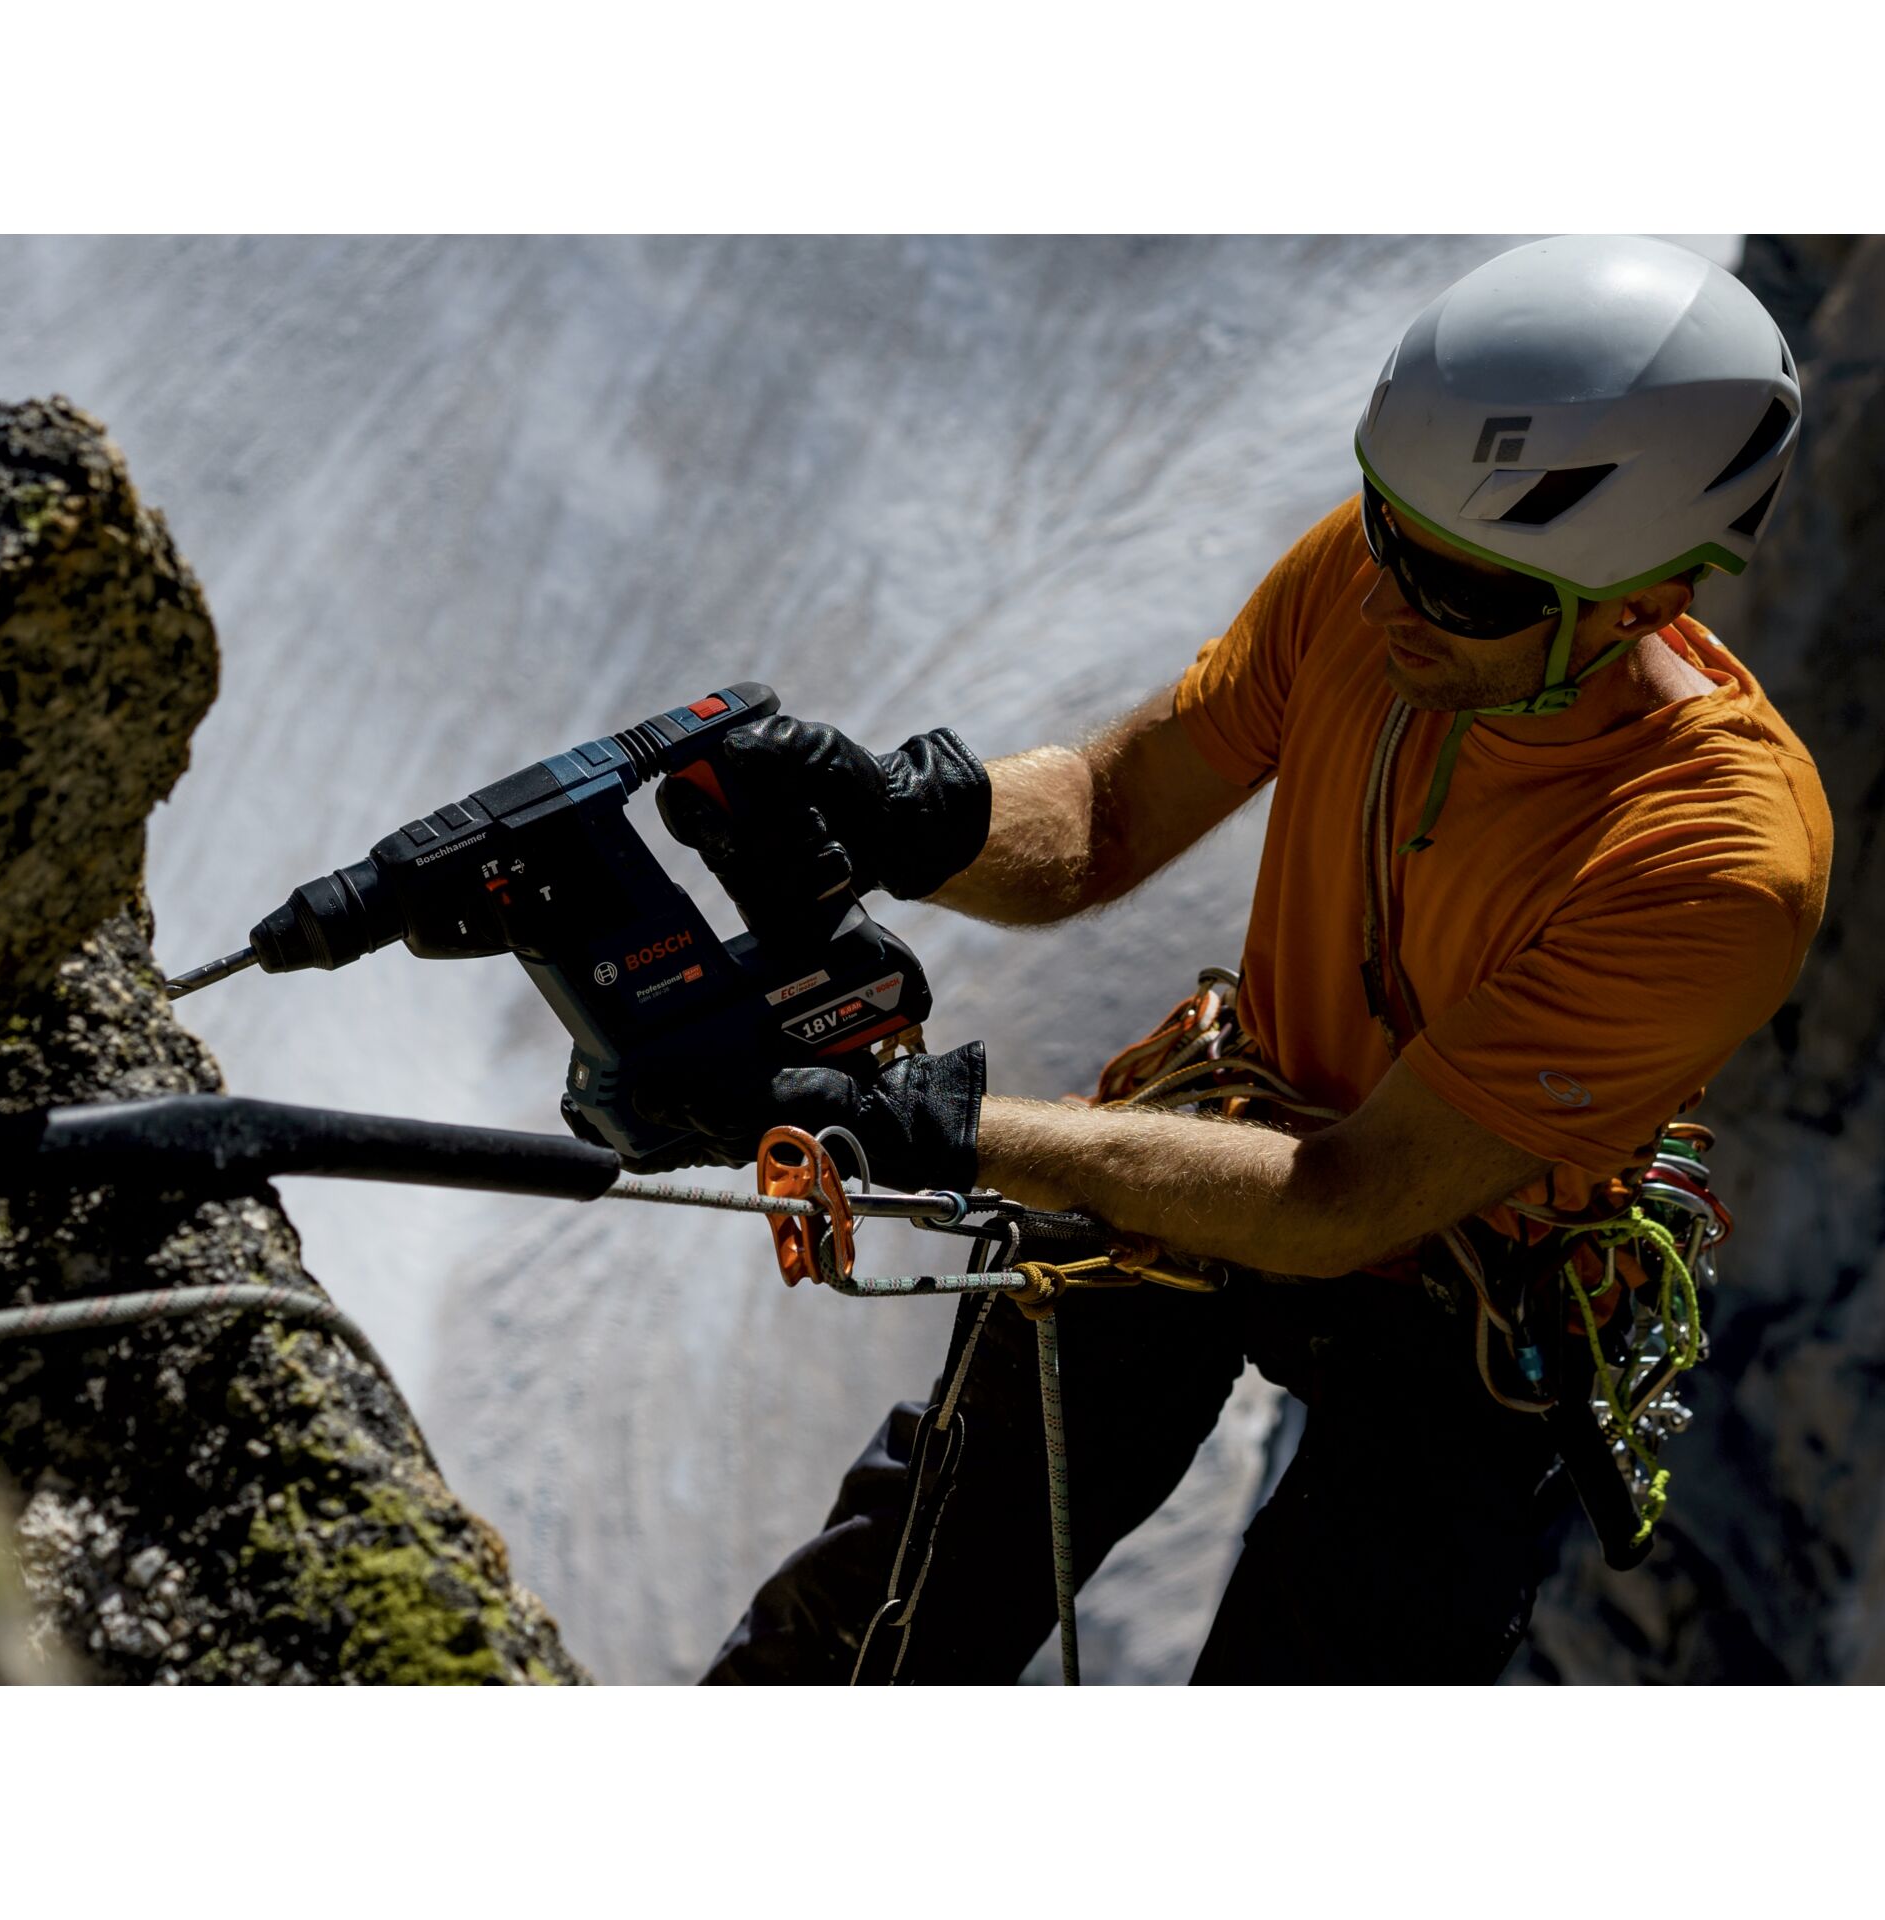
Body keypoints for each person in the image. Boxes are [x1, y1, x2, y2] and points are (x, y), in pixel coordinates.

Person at [649, 235, 1833, 1683]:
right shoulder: (1390, 574)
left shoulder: (1712, 863)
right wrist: (915, 818)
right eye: (1384, 526)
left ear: (1647, 600)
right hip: (1248, 1124)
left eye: (1460, 589)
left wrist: (942, 1133)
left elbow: (1343, 1203)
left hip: (1459, 1269)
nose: (1390, 597)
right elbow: (1100, 818)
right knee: (903, 1571)